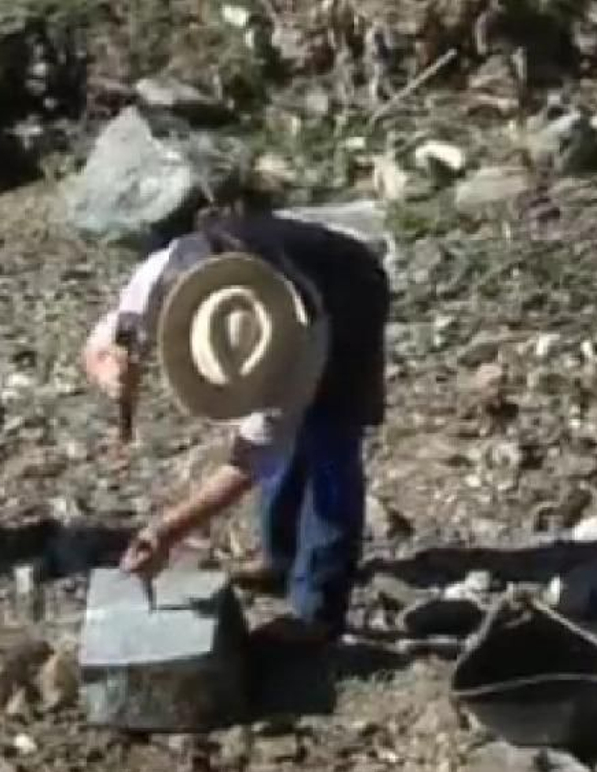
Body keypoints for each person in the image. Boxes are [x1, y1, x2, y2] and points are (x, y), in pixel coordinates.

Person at [82, 207, 390, 643]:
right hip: (291, 278)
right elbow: (104, 340)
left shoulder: (300, 346)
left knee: (329, 445)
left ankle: (318, 611)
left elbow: (249, 461)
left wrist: (166, 530)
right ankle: (281, 559)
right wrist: (110, 369)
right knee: (286, 444)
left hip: (350, 293)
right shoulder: (163, 277)